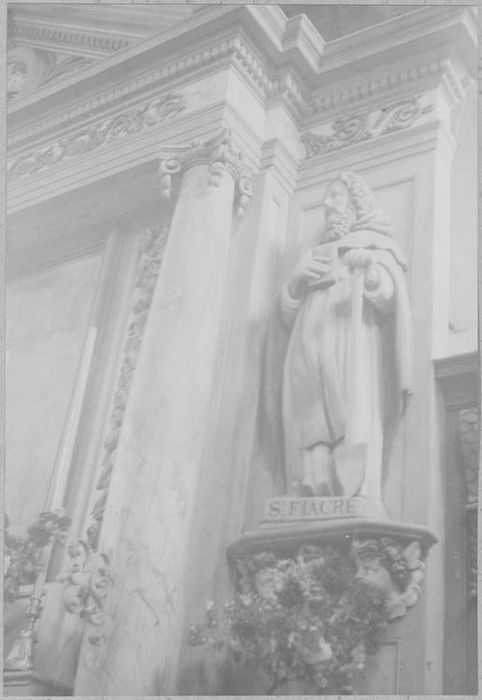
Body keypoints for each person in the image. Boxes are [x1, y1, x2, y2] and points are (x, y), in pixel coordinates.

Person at [263, 172, 412, 503]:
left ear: (355, 203)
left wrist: (369, 269)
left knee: (350, 414)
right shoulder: (314, 254)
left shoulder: (375, 244)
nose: (328, 205)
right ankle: (306, 487)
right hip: (306, 350)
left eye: (336, 196)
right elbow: (286, 316)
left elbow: (389, 298)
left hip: (349, 345)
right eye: (326, 198)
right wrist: (295, 283)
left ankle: (351, 489)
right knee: (306, 418)